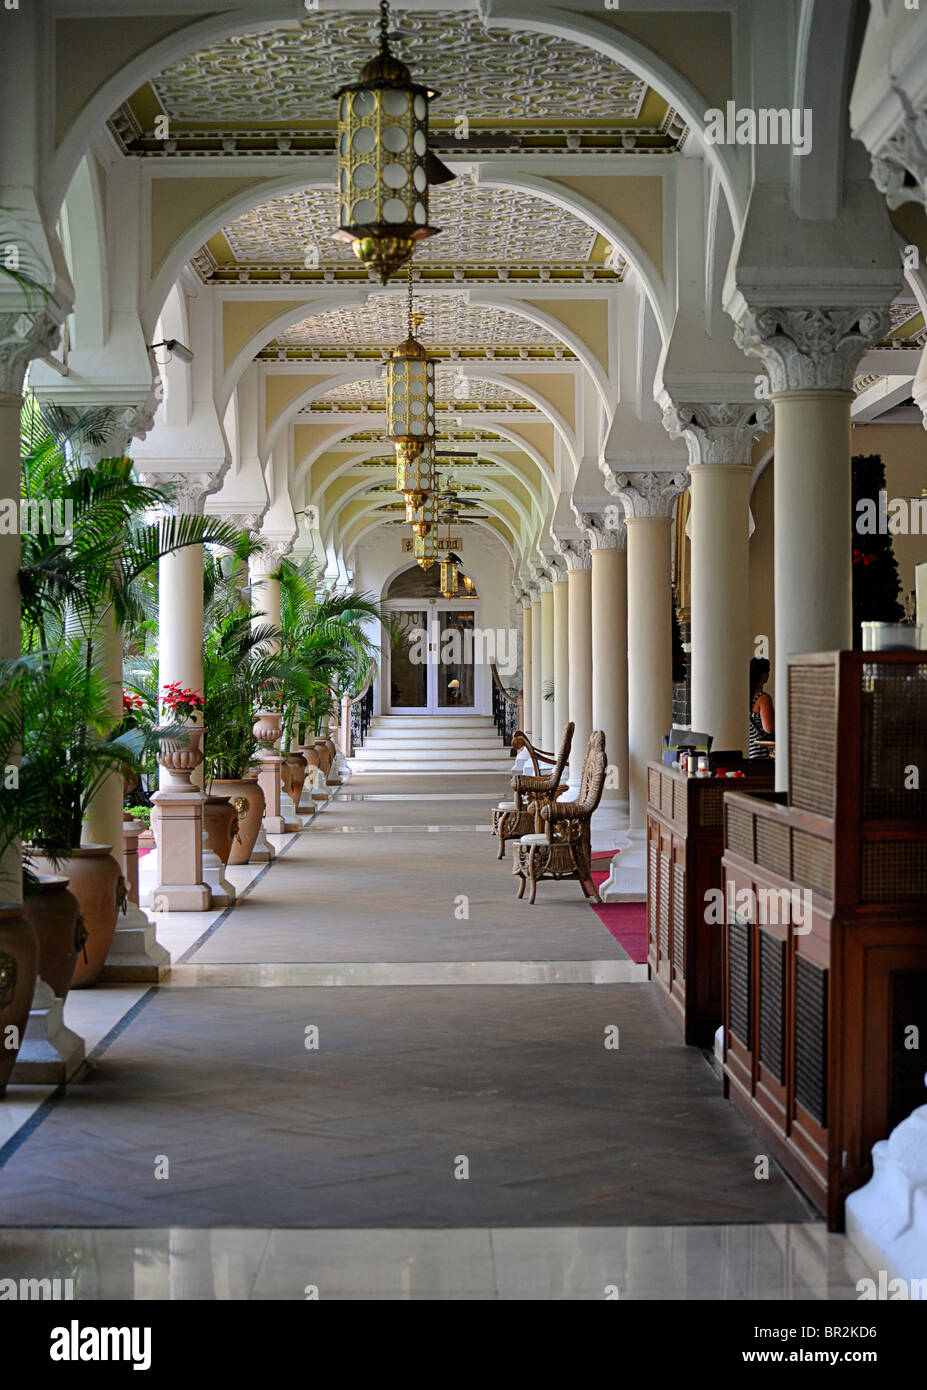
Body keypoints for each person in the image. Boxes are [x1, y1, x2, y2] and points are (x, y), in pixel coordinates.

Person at [749, 657, 775, 758]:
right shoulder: (763, 698)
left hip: (750, 750)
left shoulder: (746, 696)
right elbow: (768, 729)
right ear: (763, 675)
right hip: (762, 753)